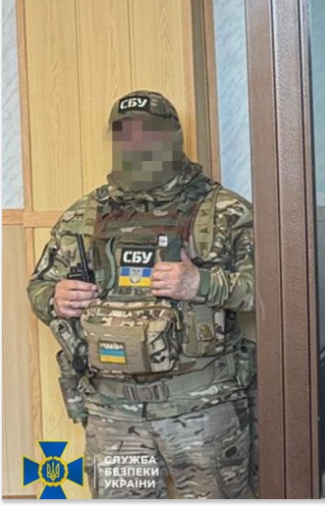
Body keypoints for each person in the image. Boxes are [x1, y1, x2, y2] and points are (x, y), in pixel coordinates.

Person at [27, 90, 257, 499]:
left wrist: (200, 284)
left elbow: (272, 294)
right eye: (125, 134)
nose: (136, 144)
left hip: (201, 409)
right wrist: (55, 298)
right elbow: (40, 286)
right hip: (113, 417)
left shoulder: (225, 212)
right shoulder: (84, 215)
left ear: (173, 137)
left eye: (149, 132)